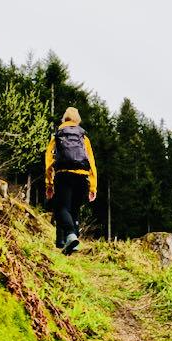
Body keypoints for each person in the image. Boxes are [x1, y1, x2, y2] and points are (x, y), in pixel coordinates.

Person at [45, 107, 97, 255]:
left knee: (61, 208)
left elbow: (49, 162)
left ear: (64, 119)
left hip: (63, 175)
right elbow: (92, 162)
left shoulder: (57, 136)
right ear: (78, 120)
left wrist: (49, 184)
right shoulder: (83, 137)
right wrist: (93, 187)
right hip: (82, 177)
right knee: (73, 210)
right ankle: (69, 244)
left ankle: (70, 235)